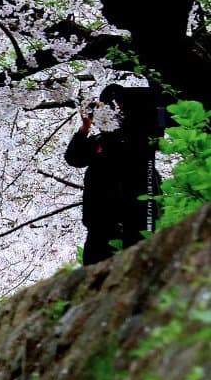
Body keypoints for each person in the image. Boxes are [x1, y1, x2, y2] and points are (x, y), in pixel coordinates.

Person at [64, 82, 161, 265]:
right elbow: (73, 158)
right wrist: (85, 127)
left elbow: (152, 130)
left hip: (137, 212)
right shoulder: (97, 141)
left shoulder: (138, 136)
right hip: (100, 218)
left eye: (108, 110)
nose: (102, 115)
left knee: (139, 264)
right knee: (95, 270)